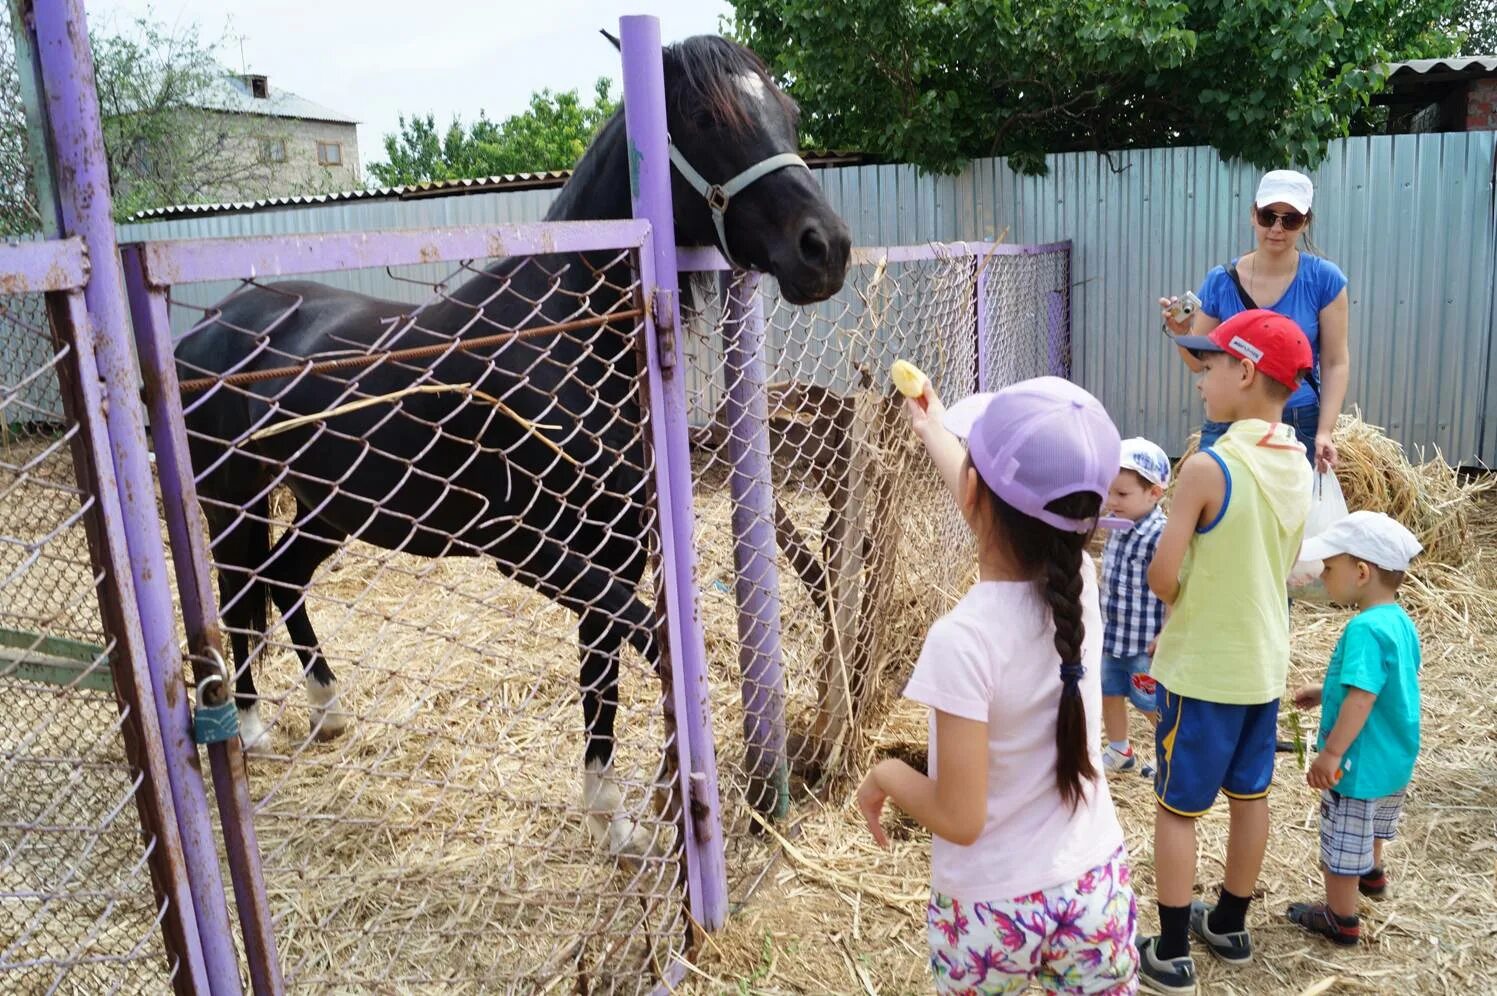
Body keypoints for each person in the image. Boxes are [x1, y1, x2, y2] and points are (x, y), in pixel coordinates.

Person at [856, 376, 1138, 994]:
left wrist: (886, 776)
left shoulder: (963, 641)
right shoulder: (1081, 584)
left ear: (975, 492)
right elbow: (1011, 510)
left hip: (992, 912)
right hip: (1093, 888)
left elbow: (959, 818)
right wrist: (932, 426)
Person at [1134, 310, 1314, 994]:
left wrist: (1180, 602)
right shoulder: (1297, 464)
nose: (1201, 378)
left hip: (1202, 670)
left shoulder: (1206, 467)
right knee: (1249, 795)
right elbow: (1283, 560)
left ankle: (1173, 949)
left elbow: (1162, 575)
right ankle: (1230, 925)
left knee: (1177, 807)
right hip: (1261, 666)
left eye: (1208, 365)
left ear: (1243, 371)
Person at [1287, 511, 1423, 946]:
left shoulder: (1364, 628)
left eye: (1329, 568)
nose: (1323, 577)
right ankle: (1373, 876)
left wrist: (1330, 755)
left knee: (1342, 841)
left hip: (1356, 764)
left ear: (1361, 572)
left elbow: (1362, 698)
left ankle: (1340, 917)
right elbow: (1381, 686)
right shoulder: (1399, 621)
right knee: (1374, 825)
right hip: (1393, 759)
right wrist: (1324, 692)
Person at [1159, 169, 1349, 473]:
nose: (1276, 228)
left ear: (1305, 223)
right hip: (1231, 419)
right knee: (1219, 513)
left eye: (1291, 220)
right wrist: (1183, 332)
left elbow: (1335, 362)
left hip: (1298, 420)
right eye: (1267, 216)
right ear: (1253, 215)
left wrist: (1325, 431)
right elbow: (1198, 363)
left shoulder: (1324, 280)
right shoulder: (1221, 280)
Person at [1100, 438, 1171, 776]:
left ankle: (1169, 756)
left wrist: (1167, 630)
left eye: (1122, 494)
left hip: (1143, 642)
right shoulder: (1117, 524)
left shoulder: (1161, 534)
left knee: (1150, 703)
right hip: (1113, 637)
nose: (1112, 501)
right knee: (1109, 691)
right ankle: (1120, 749)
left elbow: (1174, 587)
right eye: (1110, 492)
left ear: (1154, 493)